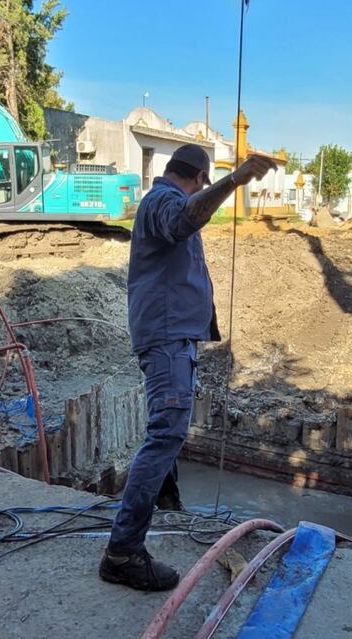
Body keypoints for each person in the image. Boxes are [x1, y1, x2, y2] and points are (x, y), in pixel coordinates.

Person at [99, 144, 276, 591]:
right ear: (198, 177)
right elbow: (183, 220)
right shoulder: (163, 201)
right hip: (165, 336)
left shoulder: (167, 200)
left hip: (175, 336)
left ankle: (164, 499)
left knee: (167, 428)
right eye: (206, 181)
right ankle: (123, 552)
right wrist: (233, 181)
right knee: (167, 432)